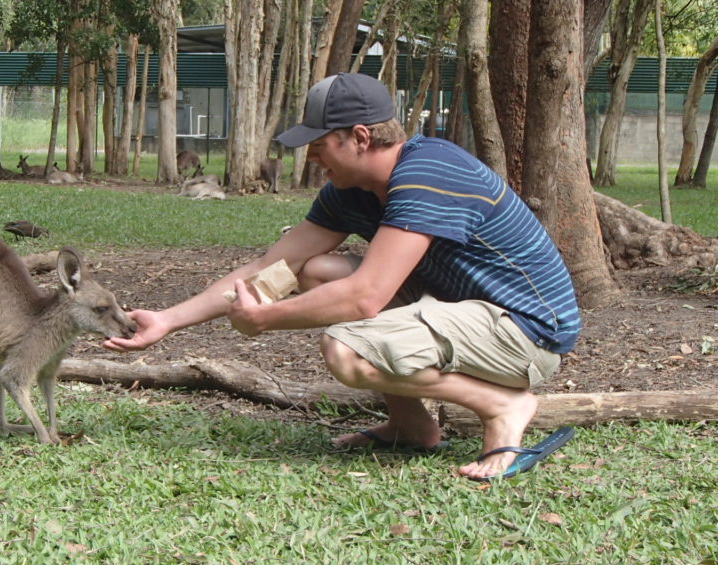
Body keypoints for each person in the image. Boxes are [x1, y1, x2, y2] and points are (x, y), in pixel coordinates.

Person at [105, 72, 582, 481]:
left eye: (319, 144)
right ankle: (410, 426)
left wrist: (263, 320)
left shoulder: (428, 172)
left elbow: (364, 300)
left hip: (526, 331)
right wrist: (168, 319)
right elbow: (270, 270)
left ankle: (502, 407)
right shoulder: (350, 189)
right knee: (316, 271)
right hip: (464, 311)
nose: (311, 157)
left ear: (359, 137)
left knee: (347, 348)